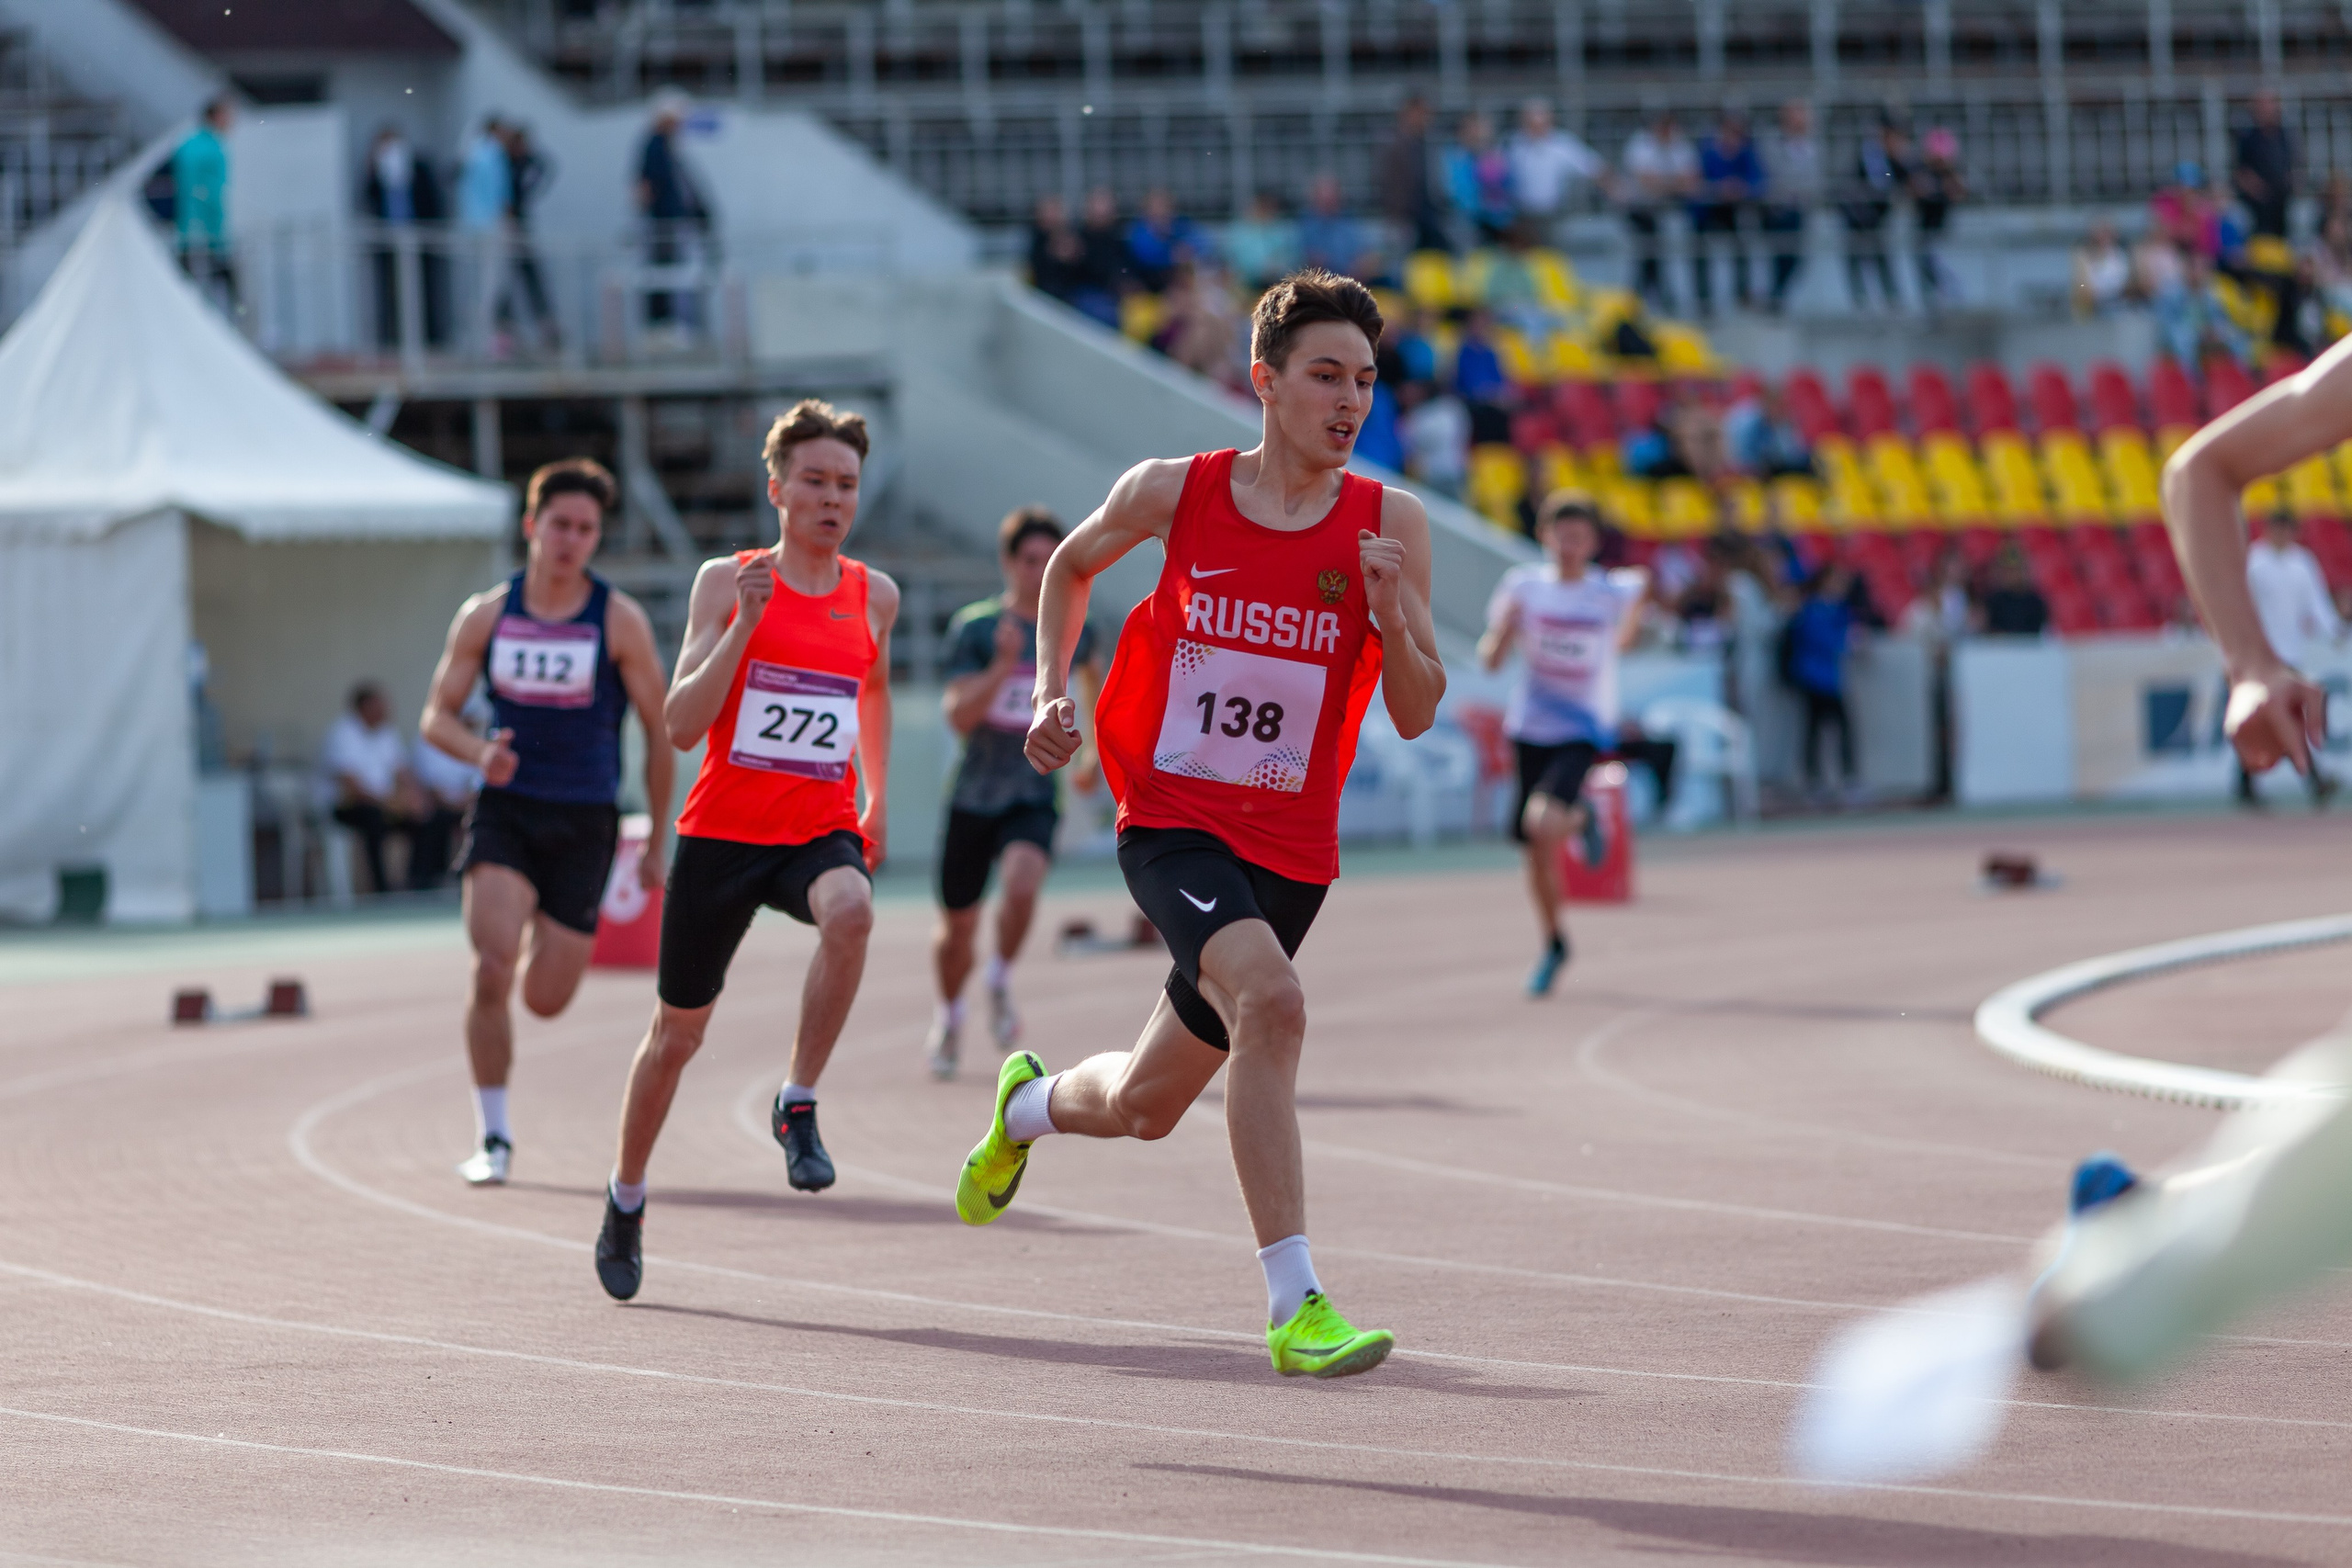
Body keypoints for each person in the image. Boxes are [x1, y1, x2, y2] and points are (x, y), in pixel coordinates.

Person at [950, 270, 1446, 1379]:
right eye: (1325, 375)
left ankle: (1024, 1107)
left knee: (1143, 1102)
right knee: (1272, 1001)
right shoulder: (1177, 492)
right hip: (1169, 816)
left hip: (1290, 851)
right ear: (1264, 383)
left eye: (1365, 380)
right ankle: (1295, 1303)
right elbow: (1071, 568)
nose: (1348, 400)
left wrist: (1384, 615)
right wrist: (1047, 689)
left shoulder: (1389, 525)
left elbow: (1415, 713)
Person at [594, 401, 897, 1302]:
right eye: (814, 481)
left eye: (845, 484)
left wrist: (877, 794)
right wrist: (742, 630)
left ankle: (796, 1100)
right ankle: (626, 1196)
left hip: (816, 827)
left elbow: (872, 689)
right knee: (676, 1037)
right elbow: (681, 725)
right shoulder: (728, 584)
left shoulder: (872, 594)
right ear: (777, 489)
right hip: (722, 833)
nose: (831, 498)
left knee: (852, 910)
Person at [420, 459, 675, 1188]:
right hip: (507, 810)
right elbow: (435, 714)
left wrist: (658, 840)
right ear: (532, 527)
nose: (571, 540)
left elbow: (660, 733)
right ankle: (493, 1135)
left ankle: (541, 927)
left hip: (586, 820)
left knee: (545, 997)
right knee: (492, 966)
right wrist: (477, 752)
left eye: (586, 528)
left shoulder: (617, 619)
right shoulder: (488, 614)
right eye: (559, 524)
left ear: (597, 536)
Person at [927, 508, 1108, 1079]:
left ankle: (1000, 977)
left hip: (1032, 791)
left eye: (1050, 560)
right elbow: (958, 716)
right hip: (974, 794)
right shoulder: (977, 629)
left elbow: (1096, 695)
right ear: (1008, 563)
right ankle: (950, 1012)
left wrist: (1092, 758)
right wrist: (1004, 665)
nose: (1038, 572)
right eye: (1029, 560)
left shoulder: (1078, 627)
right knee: (957, 929)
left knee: (1025, 881)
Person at [1476, 490, 1645, 996]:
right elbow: (1490, 661)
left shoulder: (1609, 591)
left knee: (1542, 823)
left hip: (1583, 727)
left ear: (1593, 542)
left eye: (1580, 536)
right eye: (1561, 535)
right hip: (1530, 726)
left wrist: (1632, 611)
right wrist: (1504, 634)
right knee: (1534, 848)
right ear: (1544, 536)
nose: (1570, 545)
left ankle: (1581, 815)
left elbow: (1629, 632)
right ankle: (1554, 941)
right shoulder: (1523, 587)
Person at [2240, 510, 2342, 807]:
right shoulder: (2255, 563)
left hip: (2290, 653)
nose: (2283, 536)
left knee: (2276, 719)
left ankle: (2247, 783)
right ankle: (2313, 780)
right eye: (2278, 529)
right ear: (2268, 530)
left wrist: (2334, 629)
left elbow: (2317, 601)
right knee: (2279, 719)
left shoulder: (2302, 563)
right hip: (2261, 655)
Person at [321, 682, 446, 895]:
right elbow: (352, 787)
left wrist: (416, 798)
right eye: (378, 705)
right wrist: (390, 803)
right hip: (348, 807)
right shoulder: (342, 733)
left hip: (385, 804)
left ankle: (419, 882)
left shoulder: (387, 733)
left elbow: (403, 772)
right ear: (363, 707)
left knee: (427, 819)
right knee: (373, 820)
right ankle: (380, 889)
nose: (385, 710)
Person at [361, 124, 448, 350]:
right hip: (388, 243)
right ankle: (391, 339)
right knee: (390, 292)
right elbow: (368, 202)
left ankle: (430, 339)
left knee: (425, 292)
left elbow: (432, 201)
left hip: (420, 241)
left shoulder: (419, 166)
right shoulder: (377, 172)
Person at [1782, 564, 1858, 802]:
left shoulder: (1837, 609)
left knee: (1839, 729)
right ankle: (1815, 781)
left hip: (1831, 678)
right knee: (1814, 731)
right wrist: (1846, 641)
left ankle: (1845, 778)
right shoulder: (1813, 609)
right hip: (1815, 679)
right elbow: (1823, 641)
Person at [635, 93, 710, 333]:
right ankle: (660, 325)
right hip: (663, 225)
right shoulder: (655, 146)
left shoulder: (665, 146)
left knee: (671, 274)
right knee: (662, 275)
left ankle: (668, 324)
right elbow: (646, 187)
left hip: (670, 223)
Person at [1620, 111, 1698, 310]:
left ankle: (1661, 299)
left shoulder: (1680, 143)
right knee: (1645, 257)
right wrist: (1673, 183)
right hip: (1641, 209)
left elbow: (1690, 179)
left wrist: (1662, 184)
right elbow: (1645, 181)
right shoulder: (1640, 143)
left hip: (1669, 211)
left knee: (1666, 258)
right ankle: (1640, 300)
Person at [1691, 111, 1764, 314]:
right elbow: (1695, 181)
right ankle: (1703, 299)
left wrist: (1741, 189)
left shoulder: (1746, 152)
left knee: (1741, 248)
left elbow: (1758, 180)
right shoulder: (1707, 152)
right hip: (1707, 211)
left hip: (1733, 211)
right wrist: (1718, 189)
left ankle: (1742, 294)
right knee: (1699, 250)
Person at [500, 121, 560, 353]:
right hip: (508, 226)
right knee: (505, 280)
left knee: (531, 276)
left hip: (522, 226)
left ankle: (545, 326)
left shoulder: (526, 163)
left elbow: (546, 166)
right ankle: (506, 329)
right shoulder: (505, 163)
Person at [455, 115, 513, 352]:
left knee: (475, 285)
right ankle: (488, 339)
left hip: (470, 225)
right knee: (492, 286)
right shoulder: (494, 154)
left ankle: (474, 336)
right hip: (490, 225)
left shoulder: (471, 151)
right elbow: (501, 194)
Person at [174, 96, 237, 310]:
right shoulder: (212, 148)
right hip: (208, 232)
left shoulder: (188, 144)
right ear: (216, 116)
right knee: (223, 291)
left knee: (187, 289)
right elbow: (209, 194)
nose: (230, 121)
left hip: (188, 231)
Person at [1506, 98, 1603, 233]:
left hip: (1555, 214)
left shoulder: (1563, 144)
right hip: (1519, 215)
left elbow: (1595, 168)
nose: (1536, 130)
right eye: (1532, 124)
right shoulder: (1511, 144)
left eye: (1541, 124)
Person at [1761, 100, 1822, 311]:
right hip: (1778, 208)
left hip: (1801, 208)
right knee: (1780, 255)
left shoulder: (1812, 145)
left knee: (1798, 257)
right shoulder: (1773, 142)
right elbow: (1771, 173)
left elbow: (1815, 178)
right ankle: (1775, 296)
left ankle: (1778, 294)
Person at [1844, 118, 1907, 309]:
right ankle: (1860, 300)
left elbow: (1896, 180)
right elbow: (1875, 184)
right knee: (1857, 258)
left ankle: (1891, 299)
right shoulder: (1869, 156)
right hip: (1859, 217)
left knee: (1882, 259)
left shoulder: (1891, 159)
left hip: (1877, 219)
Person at [1379, 95, 1449, 255]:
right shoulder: (1395, 144)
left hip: (1424, 215)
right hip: (1405, 219)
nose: (1427, 119)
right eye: (1423, 113)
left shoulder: (1423, 143)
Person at [1912, 127, 1966, 308]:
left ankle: (1952, 305)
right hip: (1924, 230)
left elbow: (1959, 193)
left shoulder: (1951, 175)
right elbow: (1915, 191)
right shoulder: (1922, 172)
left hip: (1943, 233)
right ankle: (1934, 308)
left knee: (1944, 273)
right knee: (1926, 271)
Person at [1443, 111, 1515, 244]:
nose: (1476, 134)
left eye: (1479, 129)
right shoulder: (1452, 157)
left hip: (1496, 220)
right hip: (1466, 220)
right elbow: (1452, 190)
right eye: (1472, 129)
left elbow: (1508, 185)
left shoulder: (1495, 156)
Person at [1124, 187, 1210, 295]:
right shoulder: (1138, 232)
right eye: (1156, 206)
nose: (1161, 211)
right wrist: (1172, 255)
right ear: (1146, 210)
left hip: (1181, 283)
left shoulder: (1180, 225)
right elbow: (1144, 255)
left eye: (1165, 206)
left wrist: (1187, 249)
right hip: (1150, 286)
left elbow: (1203, 242)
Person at [2234, 90, 2296, 239]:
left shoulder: (2285, 137)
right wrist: (2258, 190)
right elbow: (2241, 173)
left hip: (2283, 197)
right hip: (2255, 200)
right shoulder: (2247, 138)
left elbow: (2294, 168)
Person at [1225, 190, 1302, 290]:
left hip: (1279, 283)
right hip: (1248, 285)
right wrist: (1258, 271)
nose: (1264, 210)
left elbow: (1293, 258)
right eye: (1261, 206)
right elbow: (1236, 262)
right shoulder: (1240, 232)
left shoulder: (1284, 231)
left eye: (1268, 206)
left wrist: (1276, 268)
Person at [1295, 173, 1363, 278]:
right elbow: (1308, 259)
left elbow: (1363, 254)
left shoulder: (1349, 224)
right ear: (1315, 197)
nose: (1328, 200)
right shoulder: (1303, 227)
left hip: (1351, 281)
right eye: (1324, 196)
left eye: (1332, 195)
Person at [2072, 220, 2132, 315]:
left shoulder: (2121, 254)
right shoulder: (2083, 256)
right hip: (2095, 305)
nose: (2104, 236)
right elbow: (2082, 286)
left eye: (2107, 231)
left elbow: (2128, 284)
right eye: (2101, 231)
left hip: (2120, 303)